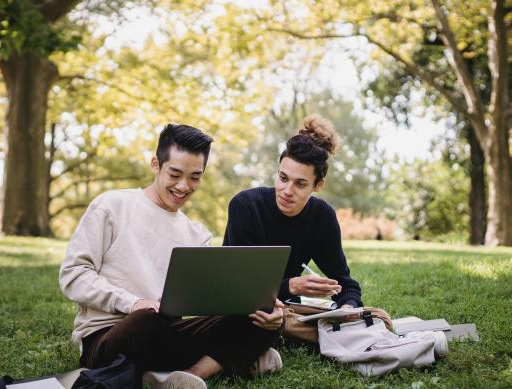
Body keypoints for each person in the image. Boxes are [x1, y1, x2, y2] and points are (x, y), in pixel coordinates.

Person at [59, 123, 284, 389]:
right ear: (156, 164)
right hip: (111, 337)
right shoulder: (111, 206)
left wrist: (261, 310)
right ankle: (235, 358)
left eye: (195, 177)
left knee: (262, 312)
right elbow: (73, 275)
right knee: (146, 321)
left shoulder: (197, 234)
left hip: (167, 333)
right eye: (175, 173)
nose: (183, 186)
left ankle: (189, 374)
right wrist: (133, 303)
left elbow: (208, 303)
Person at [223, 114, 362, 311]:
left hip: (286, 308)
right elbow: (239, 288)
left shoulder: (322, 217)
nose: (287, 191)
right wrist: (292, 286)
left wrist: (348, 308)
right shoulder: (246, 206)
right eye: (283, 178)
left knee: (376, 315)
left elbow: (347, 286)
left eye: (300, 184)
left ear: (318, 185)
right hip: (244, 309)